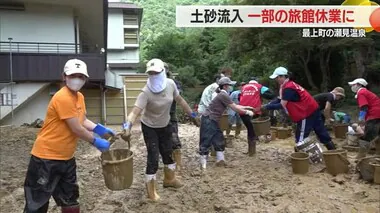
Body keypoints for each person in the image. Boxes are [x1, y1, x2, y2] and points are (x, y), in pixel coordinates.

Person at [23, 59, 114, 213]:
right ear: (64, 76)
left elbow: (82, 120)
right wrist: (96, 141)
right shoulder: (62, 97)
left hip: (66, 159)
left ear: (85, 79)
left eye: (81, 76)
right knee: (37, 205)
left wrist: (101, 129)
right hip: (45, 159)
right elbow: (76, 129)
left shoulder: (79, 97)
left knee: (70, 200)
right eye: (73, 75)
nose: (77, 79)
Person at [121, 58, 199, 201]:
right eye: (150, 73)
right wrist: (127, 126)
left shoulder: (170, 84)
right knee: (153, 157)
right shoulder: (145, 92)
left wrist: (192, 115)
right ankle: (151, 190)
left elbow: (180, 100)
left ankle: (169, 179)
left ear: (163, 71)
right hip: (150, 127)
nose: (154, 75)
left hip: (165, 124)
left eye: (156, 72)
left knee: (168, 152)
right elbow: (135, 112)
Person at [263, 67, 336, 150]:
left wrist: (266, 107)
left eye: (277, 77)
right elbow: (279, 99)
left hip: (306, 112)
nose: (276, 80)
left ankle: (300, 158)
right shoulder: (289, 85)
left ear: (283, 76)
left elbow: (281, 105)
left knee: (301, 136)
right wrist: (268, 104)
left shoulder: (288, 88)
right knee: (321, 131)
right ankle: (333, 152)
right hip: (313, 109)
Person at [199, 77, 256, 169]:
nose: (231, 87)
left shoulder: (223, 94)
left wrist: (246, 107)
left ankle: (220, 160)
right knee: (206, 140)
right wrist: (247, 112)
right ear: (225, 86)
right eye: (230, 85)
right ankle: (203, 165)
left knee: (218, 138)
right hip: (209, 119)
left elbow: (234, 105)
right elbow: (234, 108)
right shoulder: (223, 95)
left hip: (212, 119)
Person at [239, 77, 276, 156]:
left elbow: (240, 97)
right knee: (252, 130)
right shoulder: (259, 86)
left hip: (242, 111)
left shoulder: (243, 87)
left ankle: (250, 150)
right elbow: (271, 94)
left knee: (250, 129)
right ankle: (252, 152)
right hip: (253, 111)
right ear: (257, 81)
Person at [348, 78, 380, 158]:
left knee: (366, 137)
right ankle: (378, 154)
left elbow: (364, 107)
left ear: (359, 85)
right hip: (378, 114)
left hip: (374, 115)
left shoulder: (361, 92)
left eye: (353, 85)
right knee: (378, 134)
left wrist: (361, 118)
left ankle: (360, 157)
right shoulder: (367, 92)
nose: (352, 86)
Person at [164, 62, 183, 171]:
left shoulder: (174, 83)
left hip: (170, 115)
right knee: (163, 141)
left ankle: (178, 165)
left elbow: (178, 97)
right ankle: (168, 163)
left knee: (175, 140)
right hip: (158, 117)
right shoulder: (153, 84)